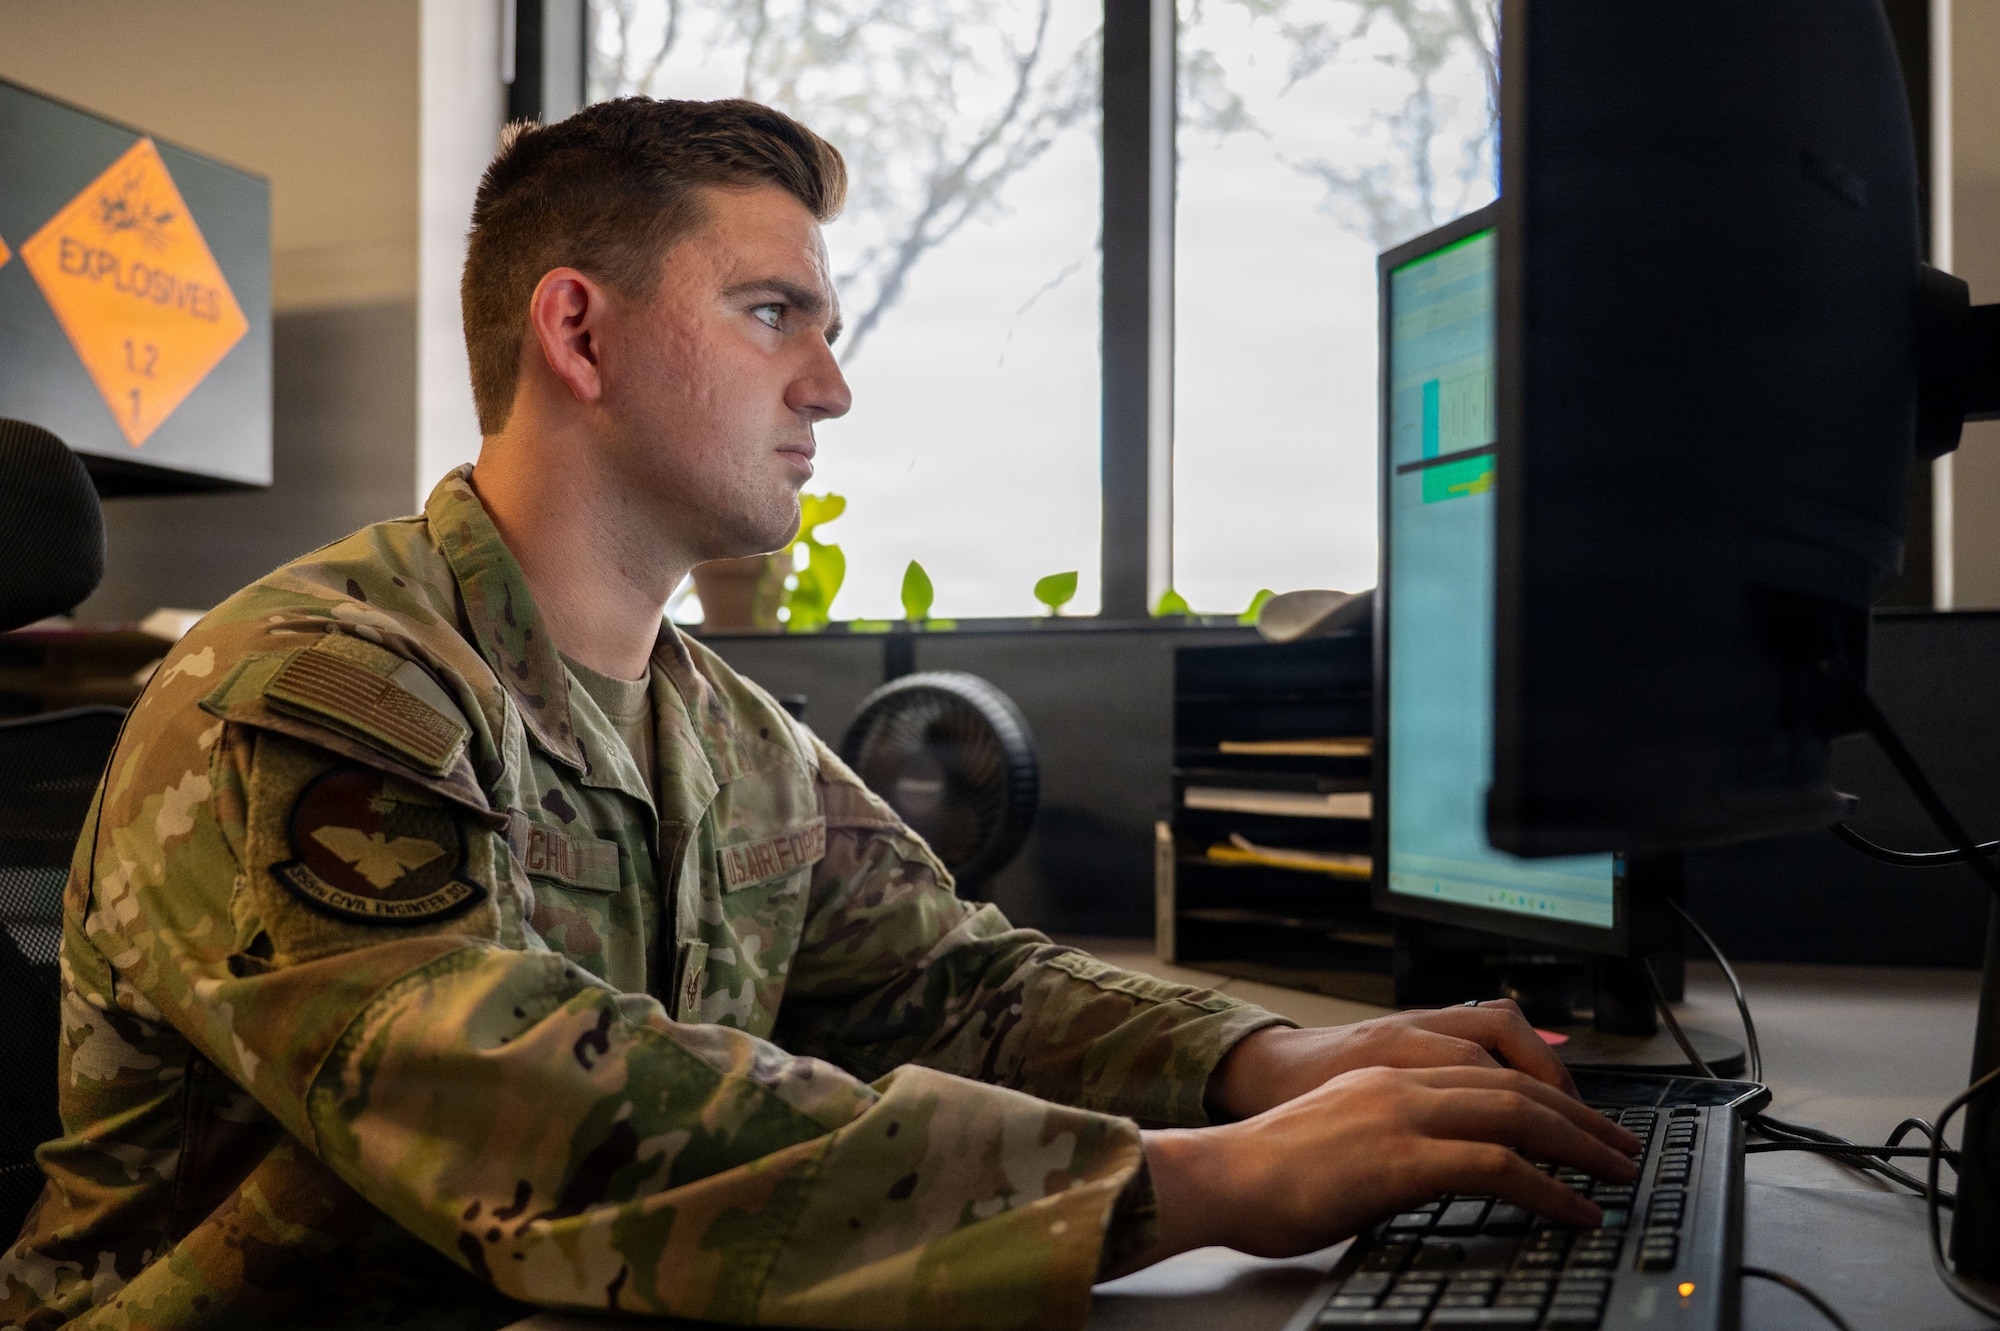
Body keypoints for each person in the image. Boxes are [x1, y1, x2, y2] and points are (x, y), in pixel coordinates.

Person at [0, 98, 1637, 1330]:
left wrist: (1269, 1063)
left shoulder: (716, 727)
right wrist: (1202, 1183)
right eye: (773, 313)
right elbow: (539, 1121)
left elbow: (948, 983)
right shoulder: (314, 690)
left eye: (828, 329)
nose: (832, 388)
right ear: (578, 331)